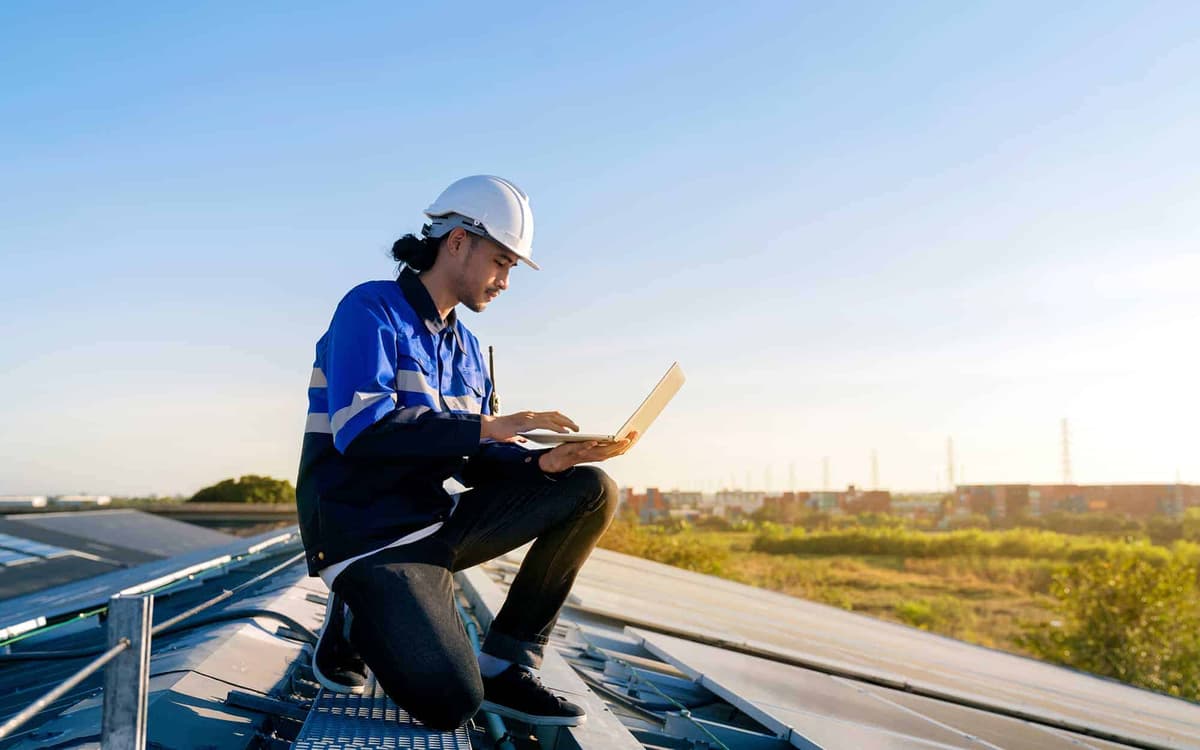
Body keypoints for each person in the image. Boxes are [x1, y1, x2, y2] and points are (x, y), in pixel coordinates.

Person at [295, 175, 634, 731]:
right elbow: (361, 430)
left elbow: (476, 460)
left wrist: (543, 462)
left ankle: (506, 664)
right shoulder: (369, 309)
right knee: (450, 703)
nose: (505, 280)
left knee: (591, 490)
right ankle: (356, 610)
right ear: (457, 242)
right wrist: (489, 426)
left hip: (433, 524)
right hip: (364, 537)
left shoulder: (471, 349)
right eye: (502, 262)